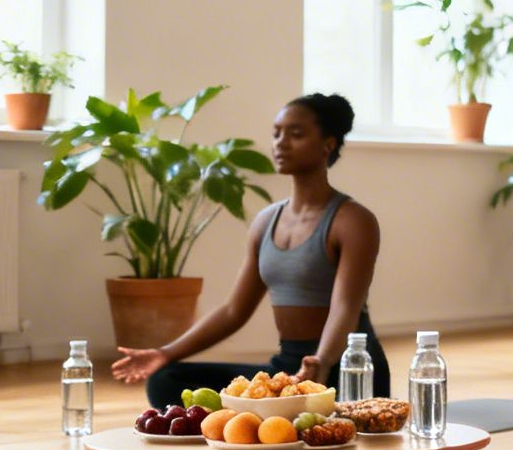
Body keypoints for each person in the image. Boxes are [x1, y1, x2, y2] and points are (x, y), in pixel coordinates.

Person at [111, 94, 391, 407]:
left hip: (346, 369)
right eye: (276, 133)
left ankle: (269, 419)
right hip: (288, 368)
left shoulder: (352, 220)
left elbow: (345, 309)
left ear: (327, 144)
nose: (281, 143)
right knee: (166, 380)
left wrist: (321, 363)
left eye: (295, 134)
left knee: (293, 415)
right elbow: (234, 311)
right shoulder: (265, 222)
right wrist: (165, 353)